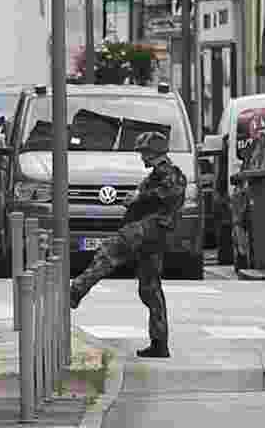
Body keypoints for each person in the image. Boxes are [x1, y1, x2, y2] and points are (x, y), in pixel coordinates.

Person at [70, 131, 187, 358]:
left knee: (108, 252)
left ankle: (76, 291)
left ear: (154, 153)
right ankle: (159, 343)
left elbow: (172, 193)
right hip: (151, 234)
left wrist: (139, 199)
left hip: (148, 230)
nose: (141, 157)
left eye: (144, 152)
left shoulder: (169, 173)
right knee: (150, 289)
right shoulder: (157, 175)